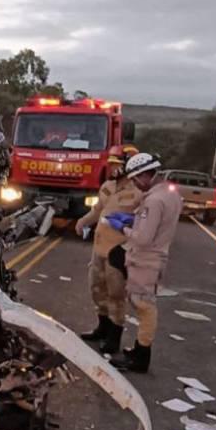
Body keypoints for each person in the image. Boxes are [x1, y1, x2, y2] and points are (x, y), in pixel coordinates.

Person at [109, 152, 183, 373]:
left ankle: (141, 357)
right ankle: (139, 351)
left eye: (135, 179)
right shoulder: (170, 195)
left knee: (144, 307)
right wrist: (136, 220)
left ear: (145, 176)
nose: (134, 184)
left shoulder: (153, 200)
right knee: (145, 306)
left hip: (145, 260)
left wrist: (122, 227)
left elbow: (142, 238)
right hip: (155, 257)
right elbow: (156, 224)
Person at [75, 145, 143, 355]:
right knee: (96, 288)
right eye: (111, 163)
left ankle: (114, 336)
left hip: (118, 251)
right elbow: (97, 210)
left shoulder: (138, 192)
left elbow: (144, 222)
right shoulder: (107, 186)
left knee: (115, 294)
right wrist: (82, 222)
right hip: (99, 248)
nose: (112, 167)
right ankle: (102, 327)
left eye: (117, 164)